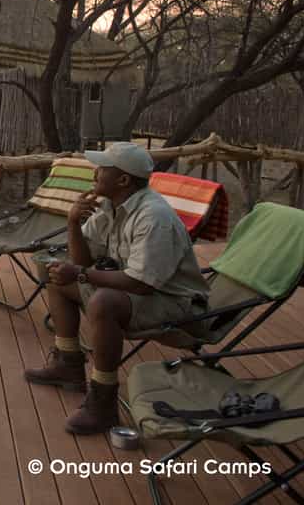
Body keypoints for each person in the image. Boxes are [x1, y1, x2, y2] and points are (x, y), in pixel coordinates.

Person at [24, 142, 210, 434]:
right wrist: (73, 223)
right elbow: (81, 260)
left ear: (123, 180)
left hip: (177, 305)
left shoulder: (153, 217)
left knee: (104, 302)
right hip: (140, 292)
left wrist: (82, 274)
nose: (95, 173)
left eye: (102, 169)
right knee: (58, 275)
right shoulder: (111, 206)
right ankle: (69, 364)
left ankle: (103, 402)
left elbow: (141, 283)